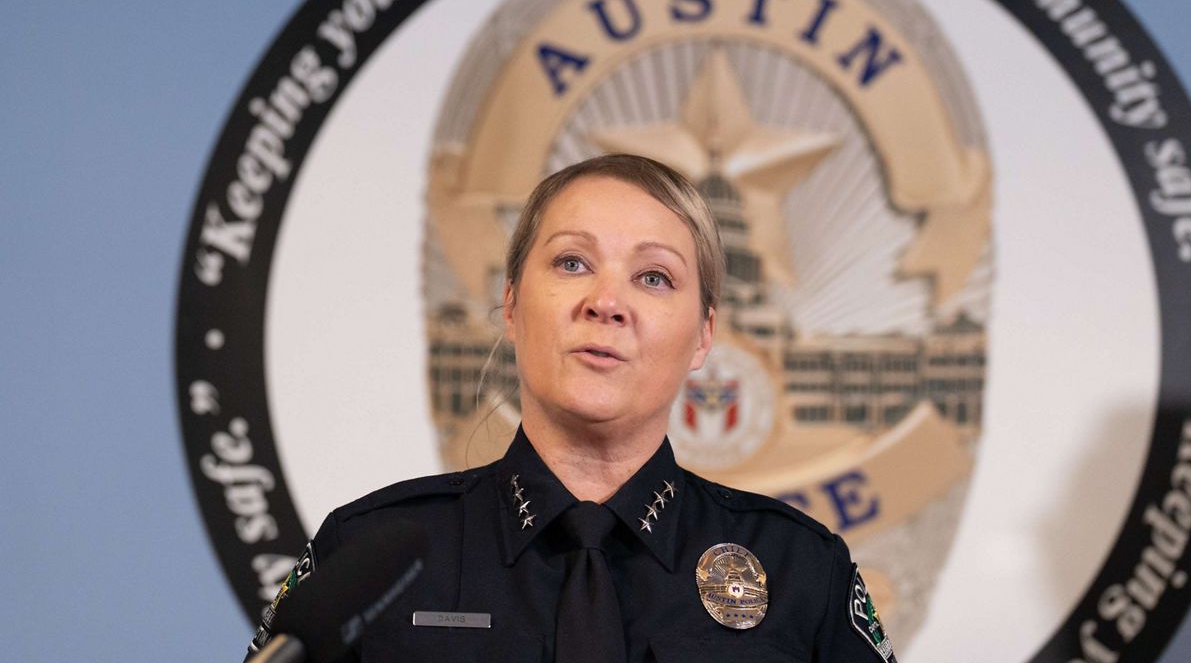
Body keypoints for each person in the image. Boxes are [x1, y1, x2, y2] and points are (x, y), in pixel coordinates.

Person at [246, 154, 897, 662]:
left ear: (703, 335)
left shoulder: (800, 570)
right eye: (572, 262)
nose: (606, 301)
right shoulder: (365, 556)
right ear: (510, 303)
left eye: (654, 277)